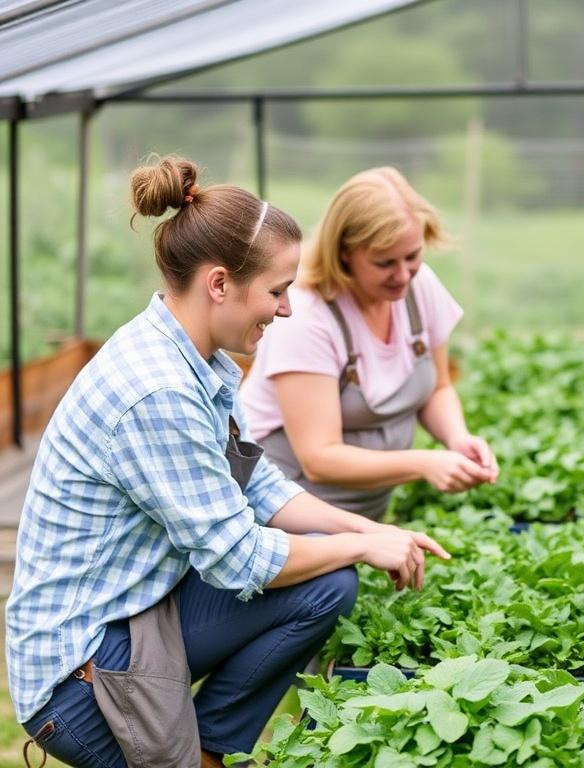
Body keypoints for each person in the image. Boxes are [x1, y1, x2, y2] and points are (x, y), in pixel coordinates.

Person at [5, 155, 450, 768]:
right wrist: (359, 546)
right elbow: (239, 558)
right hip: (81, 675)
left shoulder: (194, 357)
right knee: (329, 571)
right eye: (276, 290)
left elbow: (258, 483)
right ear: (219, 284)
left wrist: (370, 530)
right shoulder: (157, 389)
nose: (287, 308)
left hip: (139, 611)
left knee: (326, 584)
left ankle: (214, 751)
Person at [239, 167, 497, 521]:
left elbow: (436, 387)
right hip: (285, 508)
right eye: (384, 262)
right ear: (344, 252)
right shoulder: (306, 315)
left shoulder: (418, 288)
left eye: (412, 256)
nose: (403, 274)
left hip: (363, 516)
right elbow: (319, 458)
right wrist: (425, 463)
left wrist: (457, 438)